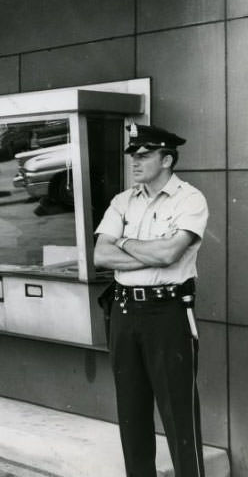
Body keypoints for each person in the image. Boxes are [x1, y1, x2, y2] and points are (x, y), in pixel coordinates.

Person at [94, 123, 209, 477]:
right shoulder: (122, 201)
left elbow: (169, 255)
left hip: (167, 311)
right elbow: (100, 255)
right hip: (125, 309)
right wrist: (146, 251)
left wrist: (124, 243)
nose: (135, 162)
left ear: (168, 159)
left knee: (179, 414)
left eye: (144, 156)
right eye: (134, 156)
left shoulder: (190, 200)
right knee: (131, 411)